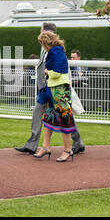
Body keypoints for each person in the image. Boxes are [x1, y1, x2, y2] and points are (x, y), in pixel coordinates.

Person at [14, 22, 85, 155]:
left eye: (41, 30)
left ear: (47, 33)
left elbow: (59, 71)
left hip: (57, 88)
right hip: (45, 89)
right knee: (40, 112)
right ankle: (32, 145)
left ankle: (76, 143)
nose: (40, 31)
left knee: (64, 116)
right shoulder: (45, 48)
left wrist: (52, 79)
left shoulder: (57, 50)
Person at [33, 31, 77, 162]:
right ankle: (45, 147)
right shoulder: (54, 52)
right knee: (48, 117)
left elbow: (57, 72)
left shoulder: (57, 52)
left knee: (64, 119)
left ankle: (68, 150)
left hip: (60, 89)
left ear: (46, 42)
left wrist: (47, 72)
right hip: (52, 89)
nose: (42, 46)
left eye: (42, 43)